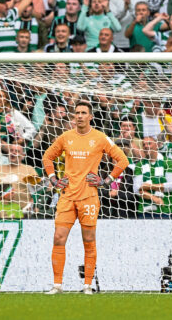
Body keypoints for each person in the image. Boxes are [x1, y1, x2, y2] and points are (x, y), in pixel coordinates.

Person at [42, 100, 129, 295]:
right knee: (58, 237)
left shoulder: (100, 138)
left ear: (90, 116)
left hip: (89, 197)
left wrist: (106, 181)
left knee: (88, 240)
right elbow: (47, 157)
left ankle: (87, 285)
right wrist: (53, 179)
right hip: (67, 197)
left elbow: (123, 160)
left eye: (83, 112)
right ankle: (57, 285)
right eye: (77, 113)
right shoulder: (66, 137)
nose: (79, 116)